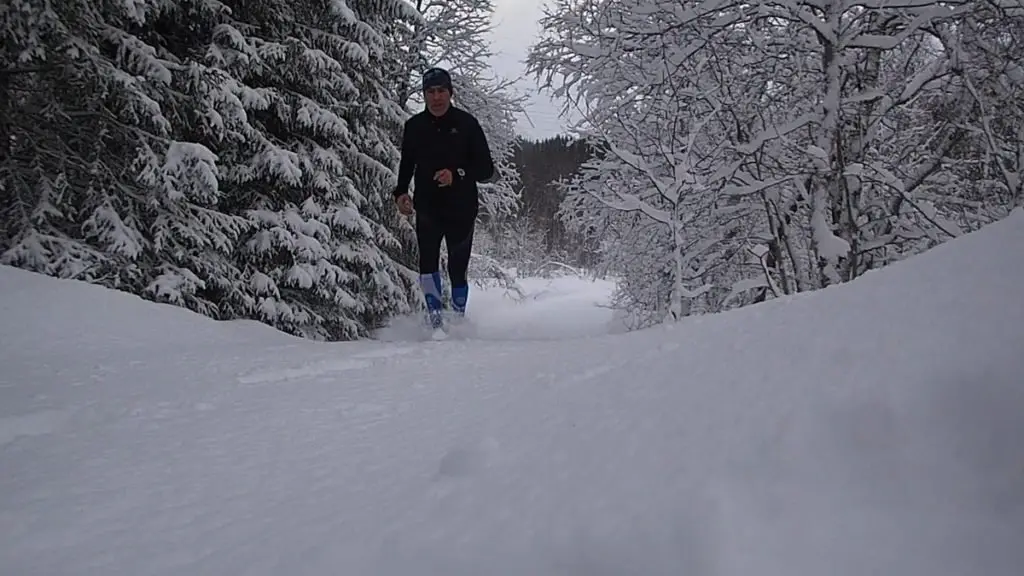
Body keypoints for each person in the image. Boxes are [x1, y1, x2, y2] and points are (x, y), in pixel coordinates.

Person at [393, 67, 495, 330]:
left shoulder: (467, 124)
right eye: (430, 92)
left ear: (450, 93)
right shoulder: (414, 126)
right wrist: (401, 192)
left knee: (457, 269)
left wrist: (457, 174)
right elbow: (407, 163)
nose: (436, 97)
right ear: (424, 95)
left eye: (441, 91)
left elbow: (486, 170)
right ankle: (435, 322)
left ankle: (458, 321)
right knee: (427, 264)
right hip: (427, 206)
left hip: (461, 208)